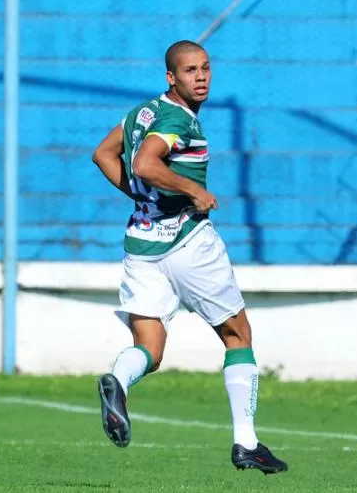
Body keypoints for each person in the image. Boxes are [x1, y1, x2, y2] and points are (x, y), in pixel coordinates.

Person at [90, 40, 288, 475]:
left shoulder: (141, 113)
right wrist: (193, 189)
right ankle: (246, 443)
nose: (200, 77)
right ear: (171, 78)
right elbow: (145, 163)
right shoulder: (179, 120)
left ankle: (118, 382)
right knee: (238, 336)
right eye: (189, 71)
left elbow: (103, 154)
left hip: (141, 243)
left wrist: (142, 200)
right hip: (189, 242)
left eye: (205, 68)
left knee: (150, 349)